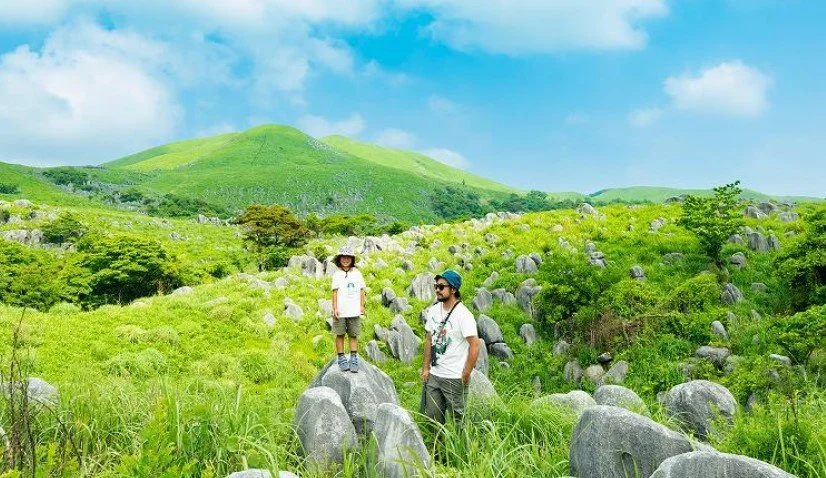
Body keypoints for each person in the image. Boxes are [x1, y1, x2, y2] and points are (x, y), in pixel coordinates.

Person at [421, 270, 479, 424]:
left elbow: (475, 344)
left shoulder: (463, 315)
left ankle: (460, 448)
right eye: (436, 286)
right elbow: (429, 340)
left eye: (441, 287)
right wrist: (426, 368)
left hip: (454, 377)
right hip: (434, 376)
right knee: (433, 419)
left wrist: (466, 372)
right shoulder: (433, 311)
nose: (437, 290)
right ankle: (437, 448)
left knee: (458, 421)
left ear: (453, 289)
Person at [331, 247, 366, 373]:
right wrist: (334, 308)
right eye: (343, 257)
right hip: (340, 310)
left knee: (353, 334)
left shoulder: (357, 273)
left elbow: (362, 290)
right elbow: (334, 292)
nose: (345, 260)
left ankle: (353, 357)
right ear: (339, 259)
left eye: (348, 258)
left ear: (352, 259)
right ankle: (341, 357)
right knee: (339, 334)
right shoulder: (337, 274)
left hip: (354, 310)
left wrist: (362, 306)